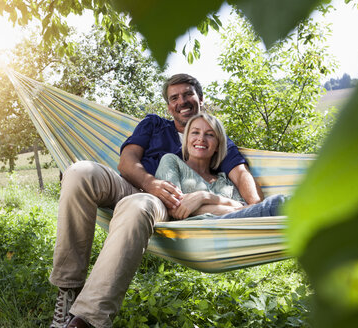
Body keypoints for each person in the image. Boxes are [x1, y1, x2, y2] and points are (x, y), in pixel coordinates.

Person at [49, 74, 264, 328]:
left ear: (201, 100)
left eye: (187, 95)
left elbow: (239, 173)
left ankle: (86, 319)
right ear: (168, 106)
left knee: (137, 204)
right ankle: (68, 288)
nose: (181, 101)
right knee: (79, 172)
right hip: (130, 184)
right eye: (174, 98)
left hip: (163, 204)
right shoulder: (153, 124)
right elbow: (127, 162)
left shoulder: (214, 138)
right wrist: (150, 183)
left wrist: (255, 207)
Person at [155, 113, 286, 221]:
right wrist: (233, 208)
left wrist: (204, 197)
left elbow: (244, 207)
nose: (201, 139)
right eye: (195, 133)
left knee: (281, 203)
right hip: (197, 231)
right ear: (186, 140)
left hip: (235, 229)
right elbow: (175, 208)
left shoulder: (224, 180)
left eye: (210, 134)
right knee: (279, 203)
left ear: (218, 146)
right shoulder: (171, 161)